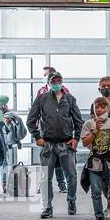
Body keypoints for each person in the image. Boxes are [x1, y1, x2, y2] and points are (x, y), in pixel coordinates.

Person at [27, 71, 81, 218]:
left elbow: (78, 121)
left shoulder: (70, 99)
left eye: (59, 80)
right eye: (54, 81)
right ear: (49, 83)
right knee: (46, 178)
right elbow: (31, 120)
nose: (56, 83)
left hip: (66, 144)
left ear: (62, 82)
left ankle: (71, 201)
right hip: (48, 145)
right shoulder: (41, 99)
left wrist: (76, 139)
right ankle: (47, 207)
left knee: (72, 177)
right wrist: (37, 136)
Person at [80, 97, 110, 220]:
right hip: (95, 162)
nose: (99, 109)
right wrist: (95, 132)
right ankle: (99, 217)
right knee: (95, 191)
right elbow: (85, 143)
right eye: (97, 107)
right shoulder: (88, 124)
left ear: (108, 109)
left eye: (102, 107)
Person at [37, 65, 69, 193]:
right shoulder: (41, 91)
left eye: (45, 75)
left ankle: (62, 184)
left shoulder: (64, 90)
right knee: (46, 159)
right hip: (46, 131)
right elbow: (37, 109)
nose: (43, 77)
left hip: (61, 131)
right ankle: (43, 184)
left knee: (60, 159)